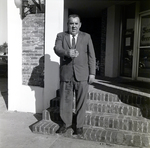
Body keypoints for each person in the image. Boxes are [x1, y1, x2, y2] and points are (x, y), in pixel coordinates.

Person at [54, 14, 96, 136]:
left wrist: (92, 73)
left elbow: (91, 56)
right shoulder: (61, 36)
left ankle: (79, 126)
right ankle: (65, 124)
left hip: (82, 74)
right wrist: (67, 52)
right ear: (68, 24)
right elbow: (57, 49)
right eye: (71, 23)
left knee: (81, 101)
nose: (74, 26)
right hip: (66, 74)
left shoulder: (86, 37)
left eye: (76, 23)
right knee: (65, 101)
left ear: (80, 25)